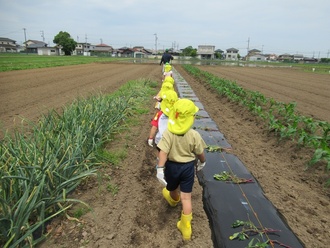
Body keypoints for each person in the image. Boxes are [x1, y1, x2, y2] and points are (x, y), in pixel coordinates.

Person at [156, 99, 207, 240]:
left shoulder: (168, 134)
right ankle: (186, 227)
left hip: (172, 167)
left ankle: (173, 200)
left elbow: (163, 152)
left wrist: (160, 168)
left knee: (172, 188)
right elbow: (200, 152)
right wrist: (203, 162)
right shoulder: (194, 135)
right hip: (188, 167)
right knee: (187, 197)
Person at [148, 90, 179, 173]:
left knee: (160, 152)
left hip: (161, 139)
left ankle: (160, 165)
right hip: (174, 139)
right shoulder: (178, 113)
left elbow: (154, 127)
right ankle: (170, 166)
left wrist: (150, 138)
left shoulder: (160, 114)